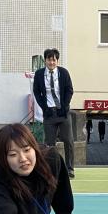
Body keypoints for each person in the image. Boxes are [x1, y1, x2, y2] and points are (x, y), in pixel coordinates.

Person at [32, 48, 75, 177]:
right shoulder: (39, 74)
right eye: (49, 59)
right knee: (49, 144)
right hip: (49, 114)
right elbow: (36, 92)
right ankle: (51, 170)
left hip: (63, 113)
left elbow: (69, 90)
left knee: (68, 140)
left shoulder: (63, 73)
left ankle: (70, 168)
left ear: (57, 60)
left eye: (54, 60)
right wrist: (44, 107)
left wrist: (65, 106)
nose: (51, 62)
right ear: (45, 60)